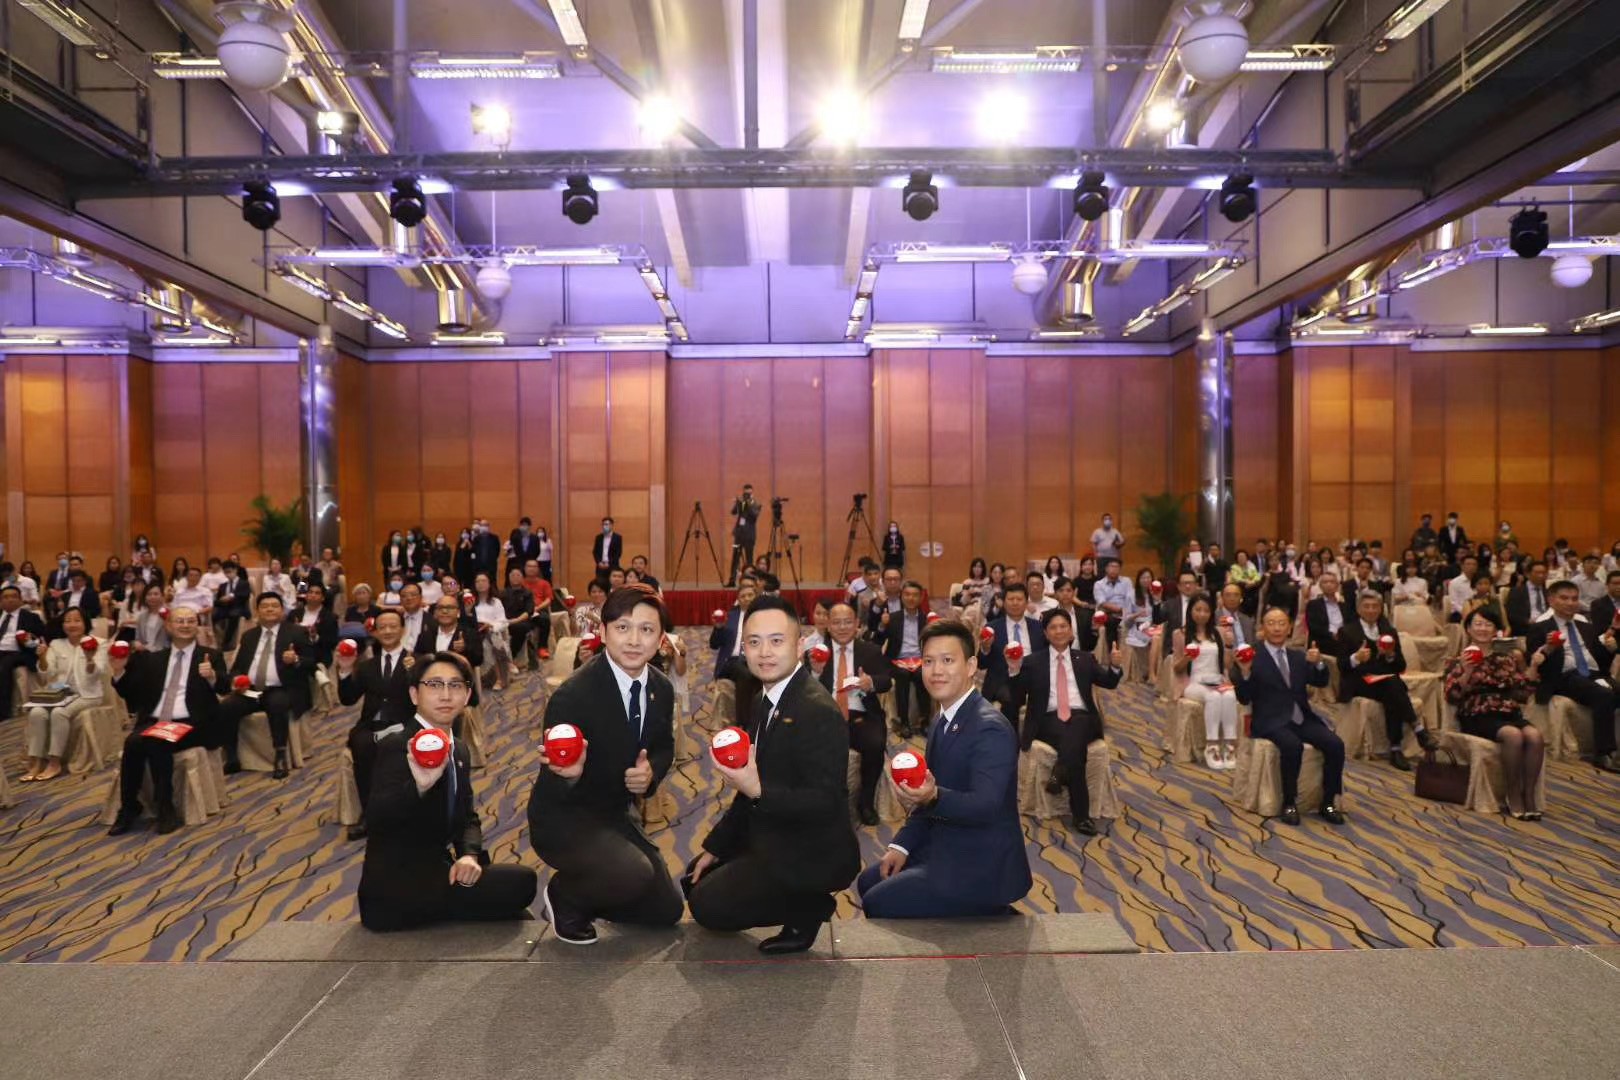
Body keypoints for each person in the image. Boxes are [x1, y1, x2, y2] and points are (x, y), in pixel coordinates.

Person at [687, 595, 859, 955]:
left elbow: (824, 802)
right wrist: (716, 846)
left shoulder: (817, 710)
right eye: (754, 642)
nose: (764, 652)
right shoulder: (763, 699)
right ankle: (781, 890)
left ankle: (809, 906)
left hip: (811, 850)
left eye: (776, 641)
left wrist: (758, 792)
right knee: (693, 876)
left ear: (799, 645)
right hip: (773, 827)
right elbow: (748, 789)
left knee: (706, 905)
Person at [528, 589, 683, 945]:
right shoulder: (573, 696)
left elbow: (664, 746)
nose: (634, 640)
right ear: (603, 631)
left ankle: (603, 887)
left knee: (666, 910)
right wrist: (569, 775)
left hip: (616, 814)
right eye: (623, 627)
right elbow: (550, 783)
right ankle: (565, 896)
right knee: (633, 873)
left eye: (646, 630)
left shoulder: (661, 687)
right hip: (566, 817)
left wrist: (651, 772)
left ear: (661, 638)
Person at [857, 619, 1031, 917]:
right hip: (945, 841)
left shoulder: (990, 728)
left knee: (877, 901)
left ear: (971, 665)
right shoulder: (942, 719)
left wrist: (933, 796)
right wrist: (902, 846)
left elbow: (985, 805)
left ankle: (990, 915)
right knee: (868, 881)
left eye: (948, 660)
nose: (936, 671)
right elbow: (929, 797)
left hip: (981, 863)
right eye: (928, 661)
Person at [358, 651, 537, 931]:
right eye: (434, 685)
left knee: (518, 910)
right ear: (414, 694)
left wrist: (468, 855)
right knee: (521, 884)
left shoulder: (458, 748)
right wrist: (419, 787)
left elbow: (467, 817)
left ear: (467, 696)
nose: (445, 695)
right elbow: (378, 819)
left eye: (455, 685)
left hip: (439, 871)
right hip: (395, 889)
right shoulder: (399, 745)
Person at [107, 606, 229, 835]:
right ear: (169, 626)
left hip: (192, 723)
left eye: (191, 621)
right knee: (132, 742)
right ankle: (129, 807)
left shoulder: (210, 656)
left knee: (156, 742)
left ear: (197, 626)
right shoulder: (153, 659)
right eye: (180, 621)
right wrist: (119, 672)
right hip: (156, 721)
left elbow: (225, 688)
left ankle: (165, 807)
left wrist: (212, 676)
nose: (185, 625)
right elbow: (133, 695)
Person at [1008, 608, 1122, 836]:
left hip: (1084, 718)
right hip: (1048, 720)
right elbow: (1017, 696)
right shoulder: (1033, 662)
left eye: (1063, 626)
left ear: (1071, 631)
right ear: (1045, 633)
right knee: (1074, 748)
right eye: (1053, 627)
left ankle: (1061, 772)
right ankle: (1080, 813)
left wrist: (1115, 666)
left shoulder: (1085, 659)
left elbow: (1109, 682)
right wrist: (1014, 669)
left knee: (1078, 724)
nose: (1059, 631)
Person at [1233, 608, 1346, 827]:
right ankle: (1289, 802)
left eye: (1281, 623)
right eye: (1271, 623)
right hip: (1270, 720)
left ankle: (1328, 802)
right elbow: (1244, 697)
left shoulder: (1297, 656)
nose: (1276, 628)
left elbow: (1320, 681)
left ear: (1289, 628)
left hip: (1301, 718)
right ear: (1262, 628)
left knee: (1335, 744)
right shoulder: (1251, 656)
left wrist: (1318, 663)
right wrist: (1245, 672)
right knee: (1292, 746)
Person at [1445, 610, 1544, 819]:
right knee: (1513, 735)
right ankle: (1513, 793)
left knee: (1535, 736)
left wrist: (1534, 666)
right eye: (1478, 624)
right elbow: (1453, 696)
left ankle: (1529, 795)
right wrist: (1467, 671)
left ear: (1496, 631)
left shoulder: (1505, 659)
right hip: (1477, 713)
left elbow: (1522, 693)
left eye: (1488, 624)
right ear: (1468, 629)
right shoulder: (1457, 660)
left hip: (1508, 711)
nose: (1482, 629)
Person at [1337, 589, 1438, 770]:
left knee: (1392, 689)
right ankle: (1416, 730)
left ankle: (1396, 748)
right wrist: (1356, 658)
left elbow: (1400, 666)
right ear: (1359, 609)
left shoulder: (1389, 631)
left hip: (1384, 682)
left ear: (1381, 609)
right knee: (1393, 686)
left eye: (1375, 606)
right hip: (1359, 681)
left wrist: (1390, 655)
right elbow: (1341, 666)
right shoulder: (1347, 631)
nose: (1371, 610)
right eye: (1366, 606)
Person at [217, 593, 316, 779]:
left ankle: (280, 756)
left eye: (274, 606)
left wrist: (296, 659)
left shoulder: (296, 632)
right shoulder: (249, 636)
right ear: (257, 611)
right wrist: (237, 680)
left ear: (282, 610)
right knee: (226, 706)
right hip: (251, 690)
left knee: (277, 704)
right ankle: (231, 757)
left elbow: (312, 663)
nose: (270, 609)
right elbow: (238, 667)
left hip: (282, 688)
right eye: (264, 606)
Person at [812, 600, 893, 826]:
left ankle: (865, 803)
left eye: (847, 622)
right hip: (826, 715)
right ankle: (823, 802)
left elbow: (886, 681)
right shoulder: (816, 653)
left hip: (861, 715)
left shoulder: (870, 651)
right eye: (836, 622)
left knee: (875, 744)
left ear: (857, 623)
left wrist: (871, 682)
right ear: (828, 625)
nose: (842, 627)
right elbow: (802, 690)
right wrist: (816, 674)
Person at [338, 608, 415, 841]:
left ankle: (404, 815)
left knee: (394, 746)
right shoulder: (367, 666)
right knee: (362, 746)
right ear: (375, 632)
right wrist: (345, 669)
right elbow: (347, 699)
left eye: (393, 626)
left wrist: (414, 673)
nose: (388, 631)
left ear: (402, 630)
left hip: (405, 724)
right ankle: (369, 815)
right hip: (372, 726)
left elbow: (425, 697)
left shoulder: (417, 660)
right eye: (382, 627)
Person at [1526, 580, 1619, 773]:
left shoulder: (1585, 626)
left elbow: (1600, 660)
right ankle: (1603, 753)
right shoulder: (1540, 628)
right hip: (1563, 676)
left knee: (1608, 690)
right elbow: (1535, 662)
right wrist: (1548, 648)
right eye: (1564, 598)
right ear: (1551, 600)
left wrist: (1611, 647)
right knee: (1603, 695)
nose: (1570, 603)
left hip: (1593, 674)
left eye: (1574, 599)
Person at [21, 608, 105, 782]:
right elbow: (47, 674)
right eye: (67, 620)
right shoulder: (56, 644)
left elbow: (97, 674)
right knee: (36, 712)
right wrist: (42, 657)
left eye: (77, 620)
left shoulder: (99, 643)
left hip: (87, 695)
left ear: (85, 623)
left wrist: (90, 659)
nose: (72, 624)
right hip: (59, 694)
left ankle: (54, 762)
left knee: (59, 713)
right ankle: (36, 762)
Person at [1171, 595, 1237, 770]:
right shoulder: (1180, 634)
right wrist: (1187, 658)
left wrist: (1229, 646)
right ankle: (1212, 746)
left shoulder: (1218, 633)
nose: (1202, 614)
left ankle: (1229, 745)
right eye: (1198, 610)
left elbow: (1227, 665)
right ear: (1190, 611)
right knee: (1214, 697)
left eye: (1206, 610)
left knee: (1230, 696)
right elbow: (1176, 668)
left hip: (1217, 679)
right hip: (1194, 682)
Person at [979, 582, 1044, 724]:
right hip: (1003, 679)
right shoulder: (992, 628)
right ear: (1004, 602)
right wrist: (985, 648)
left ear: (1026, 602)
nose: (1015, 603)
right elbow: (981, 664)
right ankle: (1012, 735)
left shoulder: (1038, 628)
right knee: (1011, 696)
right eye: (1011, 599)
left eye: (1019, 599)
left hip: (1033, 677)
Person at [0, 585, 47, 697]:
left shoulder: (31, 617)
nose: (10, 599)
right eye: (6, 597)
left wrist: (30, 640)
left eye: (14, 596)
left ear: (21, 600)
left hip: (19, 652)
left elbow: (41, 639)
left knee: (5, 664)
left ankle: (4, 706)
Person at [709, 578, 757, 683]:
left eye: (750, 595)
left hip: (754, 662)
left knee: (745, 673)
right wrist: (718, 628)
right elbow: (714, 645)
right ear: (738, 600)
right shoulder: (729, 617)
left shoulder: (764, 617)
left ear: (756, 597)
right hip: (730, 662)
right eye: (743, 596)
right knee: (741, 670)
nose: (747, 598)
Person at [292, 582, 340, 667]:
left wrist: (315, 637)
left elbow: (332, 643)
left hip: (319, 657)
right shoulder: (294, 614)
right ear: (306, 595)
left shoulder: (330, 617)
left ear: (323, 598)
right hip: (296, 656)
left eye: (317, 593)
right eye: (310, 592)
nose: (313, 595)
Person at [1305, 572, 1354, 654]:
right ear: (1320, 586)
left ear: (1337, 585)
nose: (1329, 585)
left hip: (1343, 641)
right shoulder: (1313, 605)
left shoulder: (1345, 606)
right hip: (1323, 643)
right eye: (1325, 582)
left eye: (1332, 582)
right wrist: (1331, 635)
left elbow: (1350, 624)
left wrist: (1342, 634)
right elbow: (1313, 626)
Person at [727, 484, 763, 587]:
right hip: (738, 535)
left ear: (752, 493)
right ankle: (732, 580)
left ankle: (750, 581)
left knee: (749, 559)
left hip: (749, 536)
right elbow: (733, 512)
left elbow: (754, 515)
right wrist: (737, 503)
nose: (746, 495)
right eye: (745, 493)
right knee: (735, 557)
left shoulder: (756, 504)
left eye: (749, 493)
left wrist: (748, 503)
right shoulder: (741, 502)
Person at [1506, 561, 1551, 638]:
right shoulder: (1517, 591)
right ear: (1528, 574)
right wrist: (1527, 621)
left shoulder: (1548, 592)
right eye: (1537, 573)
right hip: (1527, 627)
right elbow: (1512, 614)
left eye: (1543, 573)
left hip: (1547, 625)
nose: (1541, 575)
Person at [1589, 571, 1620, 637]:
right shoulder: (1598, 605)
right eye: (1615, 584)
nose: (1619, 586)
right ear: (1607, 585)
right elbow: (1599, 631)